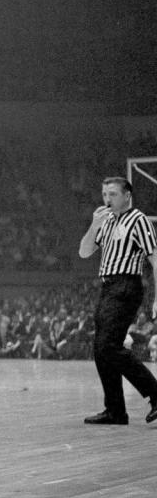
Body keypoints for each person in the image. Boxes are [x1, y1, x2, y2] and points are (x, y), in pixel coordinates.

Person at [78, 176, 157, 425]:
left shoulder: (139, 220)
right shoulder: (107, 220)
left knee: (109, 346)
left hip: (126, 286)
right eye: (104, 194)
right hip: (108, 287)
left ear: (127, 195)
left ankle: (155, 393)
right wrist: (94, 225)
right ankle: (115, 410)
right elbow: (84, 251)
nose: (107, 199)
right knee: (101, 350)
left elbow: (155, 259)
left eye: (112, 194)